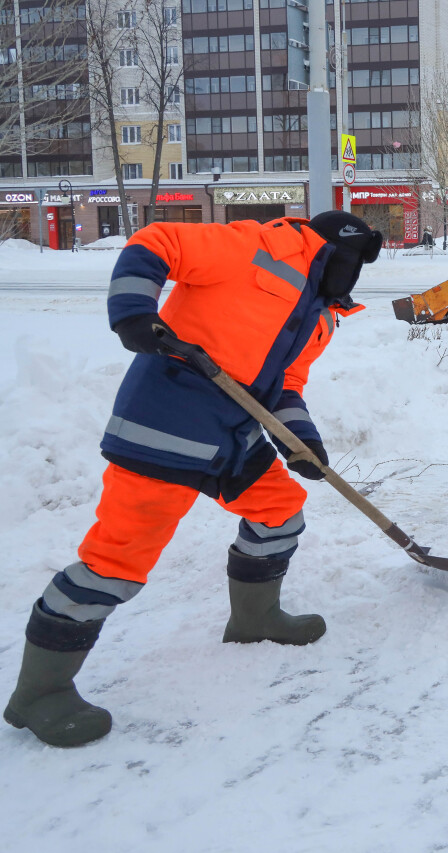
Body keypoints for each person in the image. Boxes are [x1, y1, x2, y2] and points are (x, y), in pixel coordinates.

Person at [3, 210, 383, 747]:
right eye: (353, 260)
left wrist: (301, 440)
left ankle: (255, 620)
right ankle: (39, 694)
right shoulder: (255, 246)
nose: (354, 274)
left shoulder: (321, 316)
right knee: (117, 563)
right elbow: (156, 242)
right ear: (333, 249)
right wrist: (134, 311)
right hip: (166, 427)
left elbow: (286, 385)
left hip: (232, 438)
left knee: (279, 512)